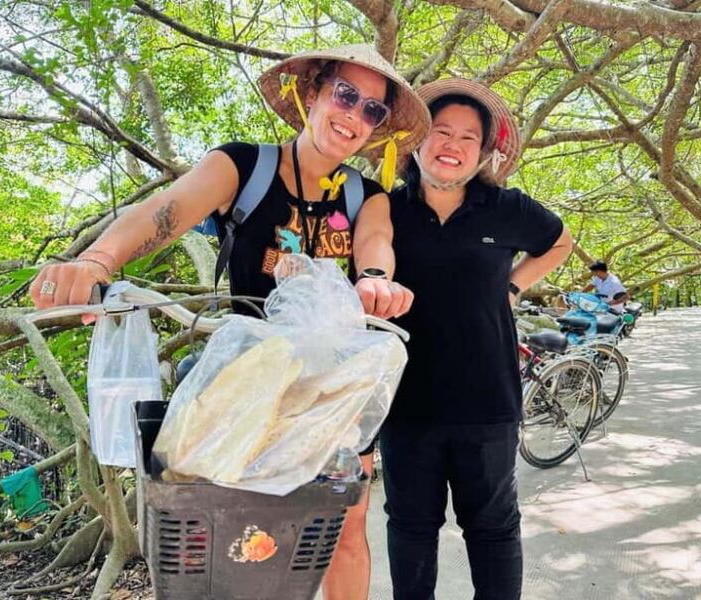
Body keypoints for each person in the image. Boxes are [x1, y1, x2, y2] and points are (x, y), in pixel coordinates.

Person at [29, 44, 432, 600]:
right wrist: (96, 261)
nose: (354, 115)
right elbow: (164, 213)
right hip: (244, 388)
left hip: (330, 396)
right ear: (311, 93)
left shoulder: (368, 197)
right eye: (345, 95)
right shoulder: (243, 167)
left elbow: (376, 247)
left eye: (373, 110)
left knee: (342, 530)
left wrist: (375, 281)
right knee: (234, 532)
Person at [381, 78, 573, 599]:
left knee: (491, 529)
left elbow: (560, 242)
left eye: (469, 137)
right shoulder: (385, 211)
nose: (453, 144)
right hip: (403, 406)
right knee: (411, 528)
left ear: (484, 152)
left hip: (488, 404)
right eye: (441, 130)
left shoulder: (505, 208)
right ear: (416, 140)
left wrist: (513, 284)